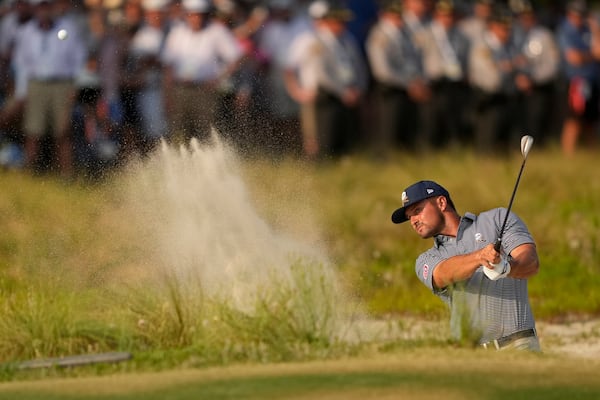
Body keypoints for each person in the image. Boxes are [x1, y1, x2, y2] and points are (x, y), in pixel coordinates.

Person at [390, 180, 541, 351]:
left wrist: (507, 268)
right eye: (410, 217)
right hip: (469, 356)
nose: (413, 221)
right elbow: (441, 275)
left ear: (441, 202)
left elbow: (530, 262)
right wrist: (479, 257)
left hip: (519, 345)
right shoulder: (426, 259)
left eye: (417, 211)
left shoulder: (497, 219)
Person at [284, 0, 368, 159]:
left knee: (343, 139)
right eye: (338, 20)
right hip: (319, 95)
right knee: (318, 139)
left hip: (346, 95)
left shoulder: (347, 39)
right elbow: (289, 67)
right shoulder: (309, 39)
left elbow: (358, 66)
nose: (342, 24)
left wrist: (358, 88)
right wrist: (297, 91)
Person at [13, 0, 87, 175]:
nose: (44, 11)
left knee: (63, 131)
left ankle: (66, 175)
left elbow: (79, 57)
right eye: (41, 7)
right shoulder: (27, 32)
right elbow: (21, 63)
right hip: (36, 84)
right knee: (33, 132)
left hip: (62, 84)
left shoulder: (67, 28)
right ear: (36, 9)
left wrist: (74, 86)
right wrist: (22, 92)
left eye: (48, 7)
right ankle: (29, 175)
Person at [365, 0, 429, 155]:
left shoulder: (405, 33)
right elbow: (383, 71)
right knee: (388, 131)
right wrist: (409, 84)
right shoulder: (379, 35)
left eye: (399, 15)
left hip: (408, 89)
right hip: (389, 91)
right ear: (384, 15)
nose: (397, 19)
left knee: (406, 131)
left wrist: (418, 81)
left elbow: (414, 60)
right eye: (393, 15)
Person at [556, 0, 600, 155]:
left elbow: (598, 51)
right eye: (576, 15)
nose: (579, 18)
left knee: (590, 120)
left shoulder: (589, 30)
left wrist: (595, 29)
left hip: (592, 81)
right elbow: (573, 58)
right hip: (576, 82)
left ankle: (592, 153)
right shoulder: (566, 31)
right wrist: (591, 56)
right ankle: (568, 154)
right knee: (573, 119)